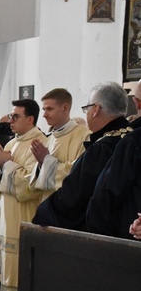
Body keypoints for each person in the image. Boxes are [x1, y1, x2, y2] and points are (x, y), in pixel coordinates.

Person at [33, 82, 132, 231]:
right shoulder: (132, 139)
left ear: (96, 110)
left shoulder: (102, 148)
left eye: (87, 109)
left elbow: (75, 194)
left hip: (102, 233)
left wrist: (43, 213)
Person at [0, 99, 46, 291]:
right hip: (6, 212)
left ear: (30, 119)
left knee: (18, 267)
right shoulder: (12, 143)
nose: (10, 121)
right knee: (6, 265)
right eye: (10, 116)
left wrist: (6, 166)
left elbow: (30, 186)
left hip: (24, 213)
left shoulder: (39, 143)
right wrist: (1, 167)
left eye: (15, 116)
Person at [29, 88, 90, 201]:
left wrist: (46, 160)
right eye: (44, 109)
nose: (44, 115)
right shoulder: (49, 139)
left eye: (49, 109)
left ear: (65, 108)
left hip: (69, 206)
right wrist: (41, 164)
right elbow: (33, 185)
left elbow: (79, 174)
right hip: (47, 203)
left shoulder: (85, 136)